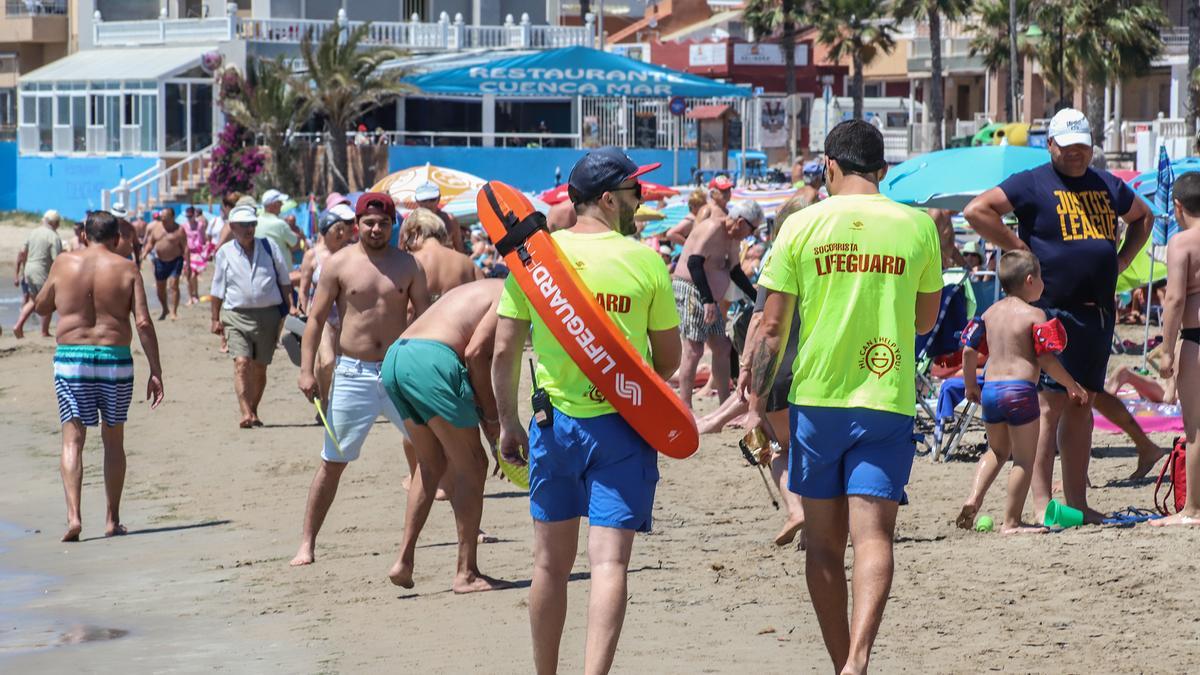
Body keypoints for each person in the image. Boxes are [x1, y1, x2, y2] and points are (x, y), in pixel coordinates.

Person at [742, 120, 943, 674]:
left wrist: (756, 404)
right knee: (874, 538)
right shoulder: (917, 225)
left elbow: (773, 326)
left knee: (824, 545)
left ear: (830, 165)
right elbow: (926, 320)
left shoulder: (802, 224)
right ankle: (858, 662)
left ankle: (842, 664)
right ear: (882, 169)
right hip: (887, 396)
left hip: (818, 401)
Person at [492, 147, 681, 675]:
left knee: (549, 566)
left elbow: (504, 350)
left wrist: (508, 423)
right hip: (624, 426)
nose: (640, 201)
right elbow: (667, 362)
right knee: (608, 564)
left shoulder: (533, 261)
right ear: (607, 199)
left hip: (554, 426)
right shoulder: (645, 261)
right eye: (634, 193)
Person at [963, 107, 1155, 523]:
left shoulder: (1106, 183)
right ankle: (1042, 504)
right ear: (1050, 144)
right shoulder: (1033, 182)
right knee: (1048, 405)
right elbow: (977, 210)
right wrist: (1021, 249)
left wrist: (1120, 261)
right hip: (1052, 312)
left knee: (1082, 403)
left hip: (1098, 314)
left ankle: (1078, 503)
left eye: (1083, 147)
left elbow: (1143, 218)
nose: (1076, 155)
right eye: (1068, 147)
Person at [291, 192, 431, 567]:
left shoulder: (409, 266)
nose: (375, 229)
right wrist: (307, 370)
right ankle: (307, 543)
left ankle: (459, 536)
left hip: (400, 371)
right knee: (333, 460)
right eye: (369, 222)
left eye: (383, 223)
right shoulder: (339, 264)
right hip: (354, 372)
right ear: (357, 225)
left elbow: (427, 319)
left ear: (392, 225)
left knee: (434, 452)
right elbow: (316, 320)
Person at [34, 211, 164, 542]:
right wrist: (156, 370)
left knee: (73, 439)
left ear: (85, 234)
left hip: (71, 360)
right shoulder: (127, 268)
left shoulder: (64, 263)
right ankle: (112, 519)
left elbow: (42, 306)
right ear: (116, 237)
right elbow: (144, 323)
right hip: (115, 360)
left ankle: (74, 517)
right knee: (113, 439)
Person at [383, 279, 510, 592]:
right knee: (473, 465)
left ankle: (403, 560)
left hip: (396, 357)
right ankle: (466, 572)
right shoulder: (513, 293)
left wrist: (489, 422)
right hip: (433, 360)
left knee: (431, 464)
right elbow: (477, 353)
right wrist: (493, 422)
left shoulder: (489, 285)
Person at [956, 251, 1088, 534]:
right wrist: (1071, 384)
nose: (1043, 283)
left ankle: (973, 498)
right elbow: (1046, 360)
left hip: (990, 390)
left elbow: (968, 350)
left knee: (996, 450)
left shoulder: (988, 313)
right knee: (1024, 460)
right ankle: (1012, 522)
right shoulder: (1035, 315)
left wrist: (970, 385)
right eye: (1041, 277)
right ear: (1030, 280)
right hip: (1020, 391)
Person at [209, 205, 296, 428]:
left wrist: (292, 306)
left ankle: (254, 409)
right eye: (244, 225)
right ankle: (245, 412)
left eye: (252, 224)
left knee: (260, 366)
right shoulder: (224, 252)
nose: (249, 229)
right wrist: (215, 318)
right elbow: (217, 288)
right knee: (241, 362)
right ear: (233, 227)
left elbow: (284, 279)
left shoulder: (269, 246)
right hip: (235, 314)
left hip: (268, 316)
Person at [672, 200, 762, 408]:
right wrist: (708, 300)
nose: (751, 234)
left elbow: (734, 271)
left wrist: (755, 296)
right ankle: (685, 405)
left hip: (708, 294)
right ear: (740, 222)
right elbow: (694, 263)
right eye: (752, 229)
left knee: (722, 347)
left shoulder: (732, 238)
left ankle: (723, 403)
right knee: (694, 349)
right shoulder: (713, 228)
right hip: (692, 287)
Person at [1153, 172, 1200, 527]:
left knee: (1196, 428)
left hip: (1196, 338)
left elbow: (1174, 298)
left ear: (1178, 206)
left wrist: (1167, 350)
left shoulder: (1182, 243)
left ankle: (1193, 510)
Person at [298, 203, 356, 410]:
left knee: (343, 364)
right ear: (325, 230)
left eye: (343, 229)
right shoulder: (312, 255)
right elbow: (303, 287)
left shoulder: (350, 253)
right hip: (322, 315)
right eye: (337, 229)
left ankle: (337, 404)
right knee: (327, 361)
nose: (342, 233)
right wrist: (303, 311)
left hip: (346, 315)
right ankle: (323, 401)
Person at [400, 207, 482, 302]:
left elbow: (409, 310)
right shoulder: (467, 262)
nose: (407, 245)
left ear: (415, 232)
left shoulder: (411, 263)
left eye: (406, 237)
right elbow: (485, 295)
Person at [13, 209, 63, 339]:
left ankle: (18, 325)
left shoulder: (34, 232)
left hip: (29, 268)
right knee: (48, 301)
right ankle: (44, 331)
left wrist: (20, 272)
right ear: (55, 223)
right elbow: (57, 259)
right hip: (41, 270)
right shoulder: (53, 236)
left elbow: (23, 251)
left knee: (33, 299)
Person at [144, 207, 187, 320]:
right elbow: (150, 243)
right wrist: (144, 253)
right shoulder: (156, 228)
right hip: (160, 261)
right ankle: (165, 309)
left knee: (173, 286)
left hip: (175, 260)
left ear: (172, 217)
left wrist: (188, 264)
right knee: (160, 288)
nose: (162, 218)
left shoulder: (179, 230)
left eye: (165, 217)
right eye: (161, 216)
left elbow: (186, 248)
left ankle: (174, 312)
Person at [413, 181, 465, 253]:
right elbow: (402, 249)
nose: (428, 204)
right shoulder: (411, 222)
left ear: (439, 198)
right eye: (424, 200)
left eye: (432, 199)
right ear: (417, 200)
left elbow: (459, 248)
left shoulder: (450, 220)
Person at [256, 189, 301, 267]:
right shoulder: (280, 224)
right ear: (274, 205)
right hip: (281, 272)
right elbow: (296, 245)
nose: (282, 204)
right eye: (280, 202)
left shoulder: (256, 222)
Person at [183, 206, 209, 306]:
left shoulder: (200, 225)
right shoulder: (184, 226)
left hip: (197, 253)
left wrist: (207, 249)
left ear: (195, 215)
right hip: (187, 253)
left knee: (194, 275)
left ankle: (196, 295)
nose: (189, 218)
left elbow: (203, 237)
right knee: (189, 275)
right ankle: (191, 297)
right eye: (187, 217)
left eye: (190, 216)